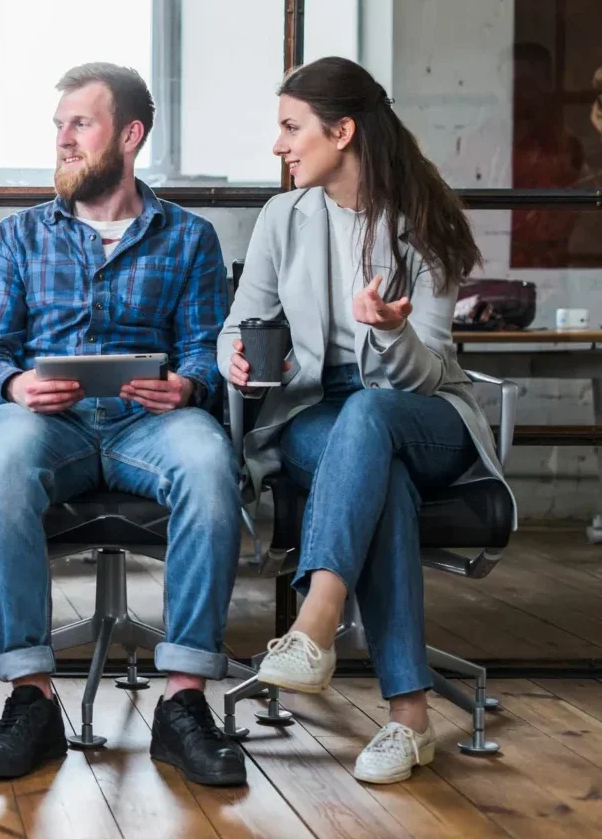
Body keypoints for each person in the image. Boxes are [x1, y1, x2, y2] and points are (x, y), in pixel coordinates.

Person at [220, 56, 514, 785]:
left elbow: (431, 369)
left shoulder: (426, 219)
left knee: (375, 413)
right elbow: (240, 322)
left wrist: (387, 330)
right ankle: (408, 718)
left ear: (342, 131)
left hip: (424, 408)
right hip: (320, 407)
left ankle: (315, 620)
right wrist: (237, 356)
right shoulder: (283, 217)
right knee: (378, 469)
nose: (279, 145)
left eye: (292, 128)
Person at [0, 63, 247, 786]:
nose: (62, 139)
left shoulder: (189, 237)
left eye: (79, 125)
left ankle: (183, 705)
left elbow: (204, 352)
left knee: (210, 465)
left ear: (130, 134)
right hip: (48, 424)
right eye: (58, 125)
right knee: (1, 462)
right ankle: (30, 699)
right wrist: (16, 382)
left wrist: (187, 383)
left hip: (146, 426)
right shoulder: (18, 236)